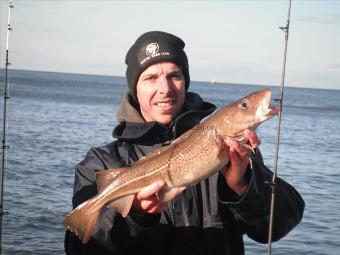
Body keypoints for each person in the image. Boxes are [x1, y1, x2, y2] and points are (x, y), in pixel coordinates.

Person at [64, 31, 304, 255]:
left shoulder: (238, 154)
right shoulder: (100, 163)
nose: (164, 88)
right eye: (151, 78)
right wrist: (136, 215)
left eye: (174, 76)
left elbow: (279, 225)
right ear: (134, 89)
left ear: (185, 82)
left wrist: (243, 186)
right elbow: (78, 249)